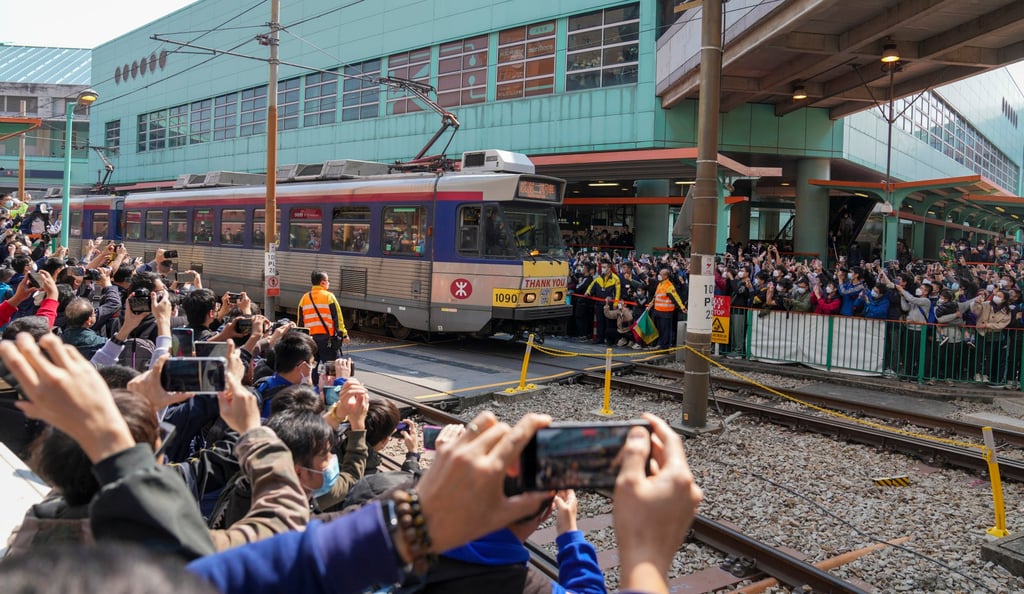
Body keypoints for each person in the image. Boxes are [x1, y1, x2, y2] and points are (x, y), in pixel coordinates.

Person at [0, 331, 702, 594]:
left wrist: (122, 449)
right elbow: (283, 541)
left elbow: (240, 567)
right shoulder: (519, 580)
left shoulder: (36, 544)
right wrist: (642, 562)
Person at [297, 271, 349, 364]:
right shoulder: (329, 297)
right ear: (322, 283)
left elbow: (300, 322)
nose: (329, 283)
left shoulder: (304, 298)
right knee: (330, 367)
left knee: (312, 366)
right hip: (327, 340)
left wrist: (301, 339)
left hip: (310, 340)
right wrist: (344, 335)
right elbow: (338, 319)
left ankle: (315, 378)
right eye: (328, 281)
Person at [648, 267, 685, 350]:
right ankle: (660, 344)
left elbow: (676, 297)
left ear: (665, 276)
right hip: (658, 310)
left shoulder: (669, 286)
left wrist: (682, 307)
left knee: (665, 330)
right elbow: (656, 296)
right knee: (660, 329)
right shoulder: (660, 284)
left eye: (660, 274)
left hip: (666, 312)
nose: (659, 276)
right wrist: (651, 304)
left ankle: (664, 346)